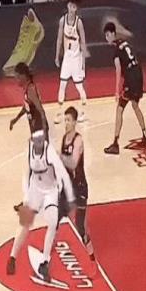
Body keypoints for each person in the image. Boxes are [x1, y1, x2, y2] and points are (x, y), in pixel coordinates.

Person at [6, 130, 75, 282]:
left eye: (39, 142)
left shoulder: (50, 152)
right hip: (35, 189)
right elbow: (25, 175)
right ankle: (12, 257)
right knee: (24, 223)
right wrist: (26, 196)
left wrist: (70, 197)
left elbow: (63, 174)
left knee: (52, 222)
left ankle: (45, 262)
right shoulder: (29, 150)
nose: (37, 145)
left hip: (50, 190)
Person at [103, 22, 146, 155]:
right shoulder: (125, 43)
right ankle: (145, 135)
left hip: (131, 78)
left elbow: (118, 71)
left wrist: (117, 91)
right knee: (135, 105)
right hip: (138, 74)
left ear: (113, 34)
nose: (106, 38)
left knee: (120, 108)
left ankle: (115, 143)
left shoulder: (116, 50)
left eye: (108, 35)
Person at [60, 106, 94, 261]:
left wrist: (59, 157)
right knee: (59, 216)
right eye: (65, 120)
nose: (66, 123)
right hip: (68, 187)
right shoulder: (64, 138)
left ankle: (91, 255)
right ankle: (50, 253)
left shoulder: (78, 140)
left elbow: (73, 163)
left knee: (80, 225)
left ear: (74, 122)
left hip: (79, 186)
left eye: (68, 120)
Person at [54, 0, 88, 124]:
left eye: (74, 7)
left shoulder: (79, 22)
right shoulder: (62, 20)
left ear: (76, 8)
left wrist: (83, 61)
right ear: (67, 6)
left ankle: (83, 111)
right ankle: (59, 112)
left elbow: (83, 42)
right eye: (70, 6)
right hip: (67, 57)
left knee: (79, 86)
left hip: (76, 57)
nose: (72, 9)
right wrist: (57, 56)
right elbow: (59, 39)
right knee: (62, 84)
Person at [9, 62, 49, 138]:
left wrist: (44, 132)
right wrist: (16, 119)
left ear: (23, 76)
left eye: (17, 78)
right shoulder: (27, 89)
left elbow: (41, 111)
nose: (16, 80)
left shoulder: (31, 90)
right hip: (35, 128)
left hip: (39, 129)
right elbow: (26, 107)